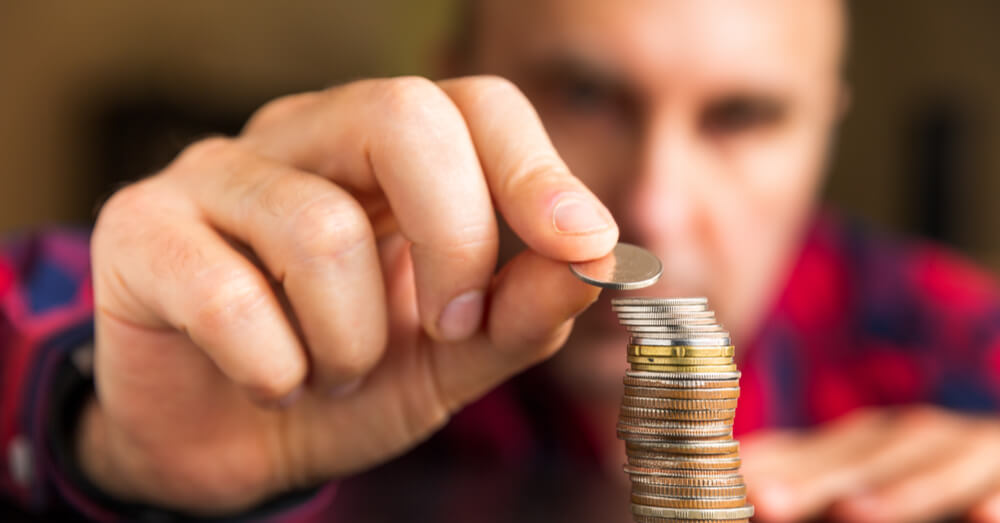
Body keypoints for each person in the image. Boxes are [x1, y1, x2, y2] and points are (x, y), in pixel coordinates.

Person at [3, 0, 1000, 521]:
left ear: (823, 124)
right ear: (455, 75)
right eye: (585, 92)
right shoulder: (292, 280)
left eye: (742, 116)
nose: (649, 200)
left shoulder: (960, 339)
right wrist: (101, 435)